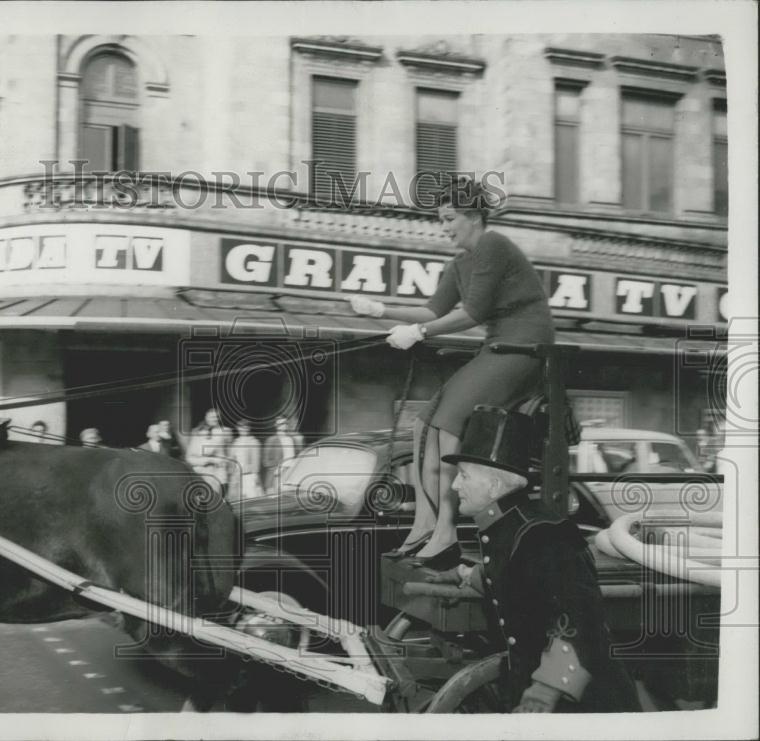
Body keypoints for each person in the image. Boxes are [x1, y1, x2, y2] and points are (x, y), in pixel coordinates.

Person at [351, 180, 554, 568]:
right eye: (441, 220)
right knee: (422, 426)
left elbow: (472, 314)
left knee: (447, 424)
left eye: (449, 219)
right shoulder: (460, 263)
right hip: (498, 347)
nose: (443, 228)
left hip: (525, 346)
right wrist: (380, 311)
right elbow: (433, 312)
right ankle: (423, 526)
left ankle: (446, 533)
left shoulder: (494, 245)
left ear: (474, 217)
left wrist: (420, 334)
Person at [423, 405, 641, 713]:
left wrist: (544, 692)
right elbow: (517, 584)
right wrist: (463, 573)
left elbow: (578, 621)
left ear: (495, 486)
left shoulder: (544, 535)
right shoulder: (510, 525)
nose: (455, 485)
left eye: (463, 476)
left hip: (585, 708)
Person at [185, 408, 232, 496]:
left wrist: (226, 466)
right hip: (201, 473)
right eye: (212, 417)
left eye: (217, 417)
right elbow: (189, 458)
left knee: (219, 499)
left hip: (219, 473)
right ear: (206, 417)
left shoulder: (226, 432)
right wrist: (210, 460)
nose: (215, 419)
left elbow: (229, 454)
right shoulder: (197, 432)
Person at [262, 416, 304, 494]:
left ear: (287, 424)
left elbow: (297, 458)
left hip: (290, 477)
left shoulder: (292, 439)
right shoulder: (271, 440)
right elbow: (265, 462)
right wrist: (279, 466)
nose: (282, 425)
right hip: (276, 477)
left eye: (284, 423)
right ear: (276, 425)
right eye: (280, 423)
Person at [228, 420, 263, 500]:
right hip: (236, 476)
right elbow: (231, 459)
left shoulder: (253, 442)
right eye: (240, 427)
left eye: (245, 427)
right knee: (236, 499)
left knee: (251, 498)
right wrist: (232, 473)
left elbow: (256, 461)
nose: (243, 430)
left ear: (249, 428)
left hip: (248, 475)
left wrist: (255, 475)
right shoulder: (236, 442)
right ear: (238, 428)